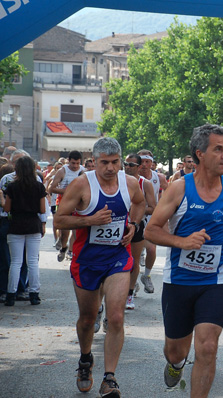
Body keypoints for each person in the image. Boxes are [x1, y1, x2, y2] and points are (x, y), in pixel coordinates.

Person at [144, 124, 223, 398]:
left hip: (214, 281)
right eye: (218, 149)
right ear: (200, 154)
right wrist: (182, 241)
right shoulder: (179, 189)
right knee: (175, 350)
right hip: (179, 281)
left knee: (207, 347)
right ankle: (176, 364)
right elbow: (151, 229)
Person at [54, 137, 145, 397]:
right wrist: (90, 219)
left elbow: (139, 204)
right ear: (93, 162)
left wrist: (134, 225)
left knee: (115, 316)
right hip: (87, 261)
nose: (110, 168)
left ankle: (110, 378)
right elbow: (59, 219)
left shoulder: (129, 184)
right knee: (87, 319)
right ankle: (85, 361)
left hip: (118, 257)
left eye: (115, 162)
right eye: (104, 163)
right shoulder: (82, 185)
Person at [0, 156, 47, 306]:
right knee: (32, 261)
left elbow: (7, 209)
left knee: (15, 262)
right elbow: (42, 209)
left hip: (16, 225)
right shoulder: (39, 186)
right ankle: (34, 294)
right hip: (33, 224)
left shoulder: (12, 187)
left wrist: (3, 199)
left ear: (18, 169)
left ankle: (11, 294)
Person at [123, 154, 156, 310]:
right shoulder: (116, 180)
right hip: (116, 225)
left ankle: (129, 294)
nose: (127, 167)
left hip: (136, 224)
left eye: (131, 164)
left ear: (138, 166)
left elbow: (153, 207)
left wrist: (138, 209)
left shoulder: (145, 184)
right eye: (125, 164)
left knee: (134, 260)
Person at [137, 149, 168, 295]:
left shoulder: (159, 177)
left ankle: (146, 275)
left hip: (151, 216)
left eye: (147, 162)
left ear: (152, 163)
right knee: (133, 254)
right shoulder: (130, 178)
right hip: (133, 217)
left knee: (152, 249)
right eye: (141, 162)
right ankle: (132, 283)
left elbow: (169, 194)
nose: (144, 165)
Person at [49, 150, 85, 261]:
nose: (75, 166)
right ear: (68, 161)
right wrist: (68, 191)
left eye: (78, 163)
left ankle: (72, 252)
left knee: (76, 231)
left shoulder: (83, 171)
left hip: (79, 204)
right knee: (65, 232)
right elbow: (52, 188)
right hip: (64, 203)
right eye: (73, 163)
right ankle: (63, 247)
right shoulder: (62, 171)